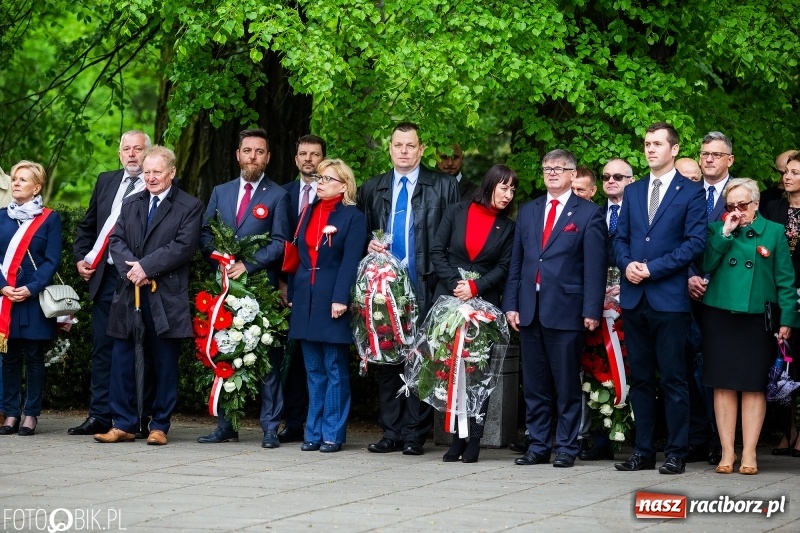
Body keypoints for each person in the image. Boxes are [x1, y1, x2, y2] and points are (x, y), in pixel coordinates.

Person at [357, 121, 459, 456]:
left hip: (426, 283)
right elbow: (360, 235)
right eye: (398, 145)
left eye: (410, 145)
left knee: (422, 359)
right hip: (383, 290)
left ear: (421, 149)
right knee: (387, 359)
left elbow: (452, 240)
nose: (404, 151)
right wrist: (367, 246)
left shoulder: (443, 186)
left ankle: (415, 434)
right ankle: (391, 432)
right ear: (390, 148)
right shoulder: (373, 188)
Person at [503, 149, 607, 468]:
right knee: (534, 383)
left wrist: (591, 309)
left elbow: (594, 267)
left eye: (559, 168)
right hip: (530, 309)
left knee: (565, 384)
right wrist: (511, 305)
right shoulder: (529, 210)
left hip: (567, 309)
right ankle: (537, 444)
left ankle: (565, 446)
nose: (552, 173)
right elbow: (517, 263)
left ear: (573, 175)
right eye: (547, 168)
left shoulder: (589, 214)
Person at [613, 122, 707, 475]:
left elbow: (695, 243)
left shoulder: (691, 193)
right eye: (646, 143)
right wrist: (627, 265)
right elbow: (620, 239)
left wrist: (653, 268)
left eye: (657, 144)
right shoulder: (634, 191)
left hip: (668, 297)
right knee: (640, 378)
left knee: (673, 378)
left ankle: (676, 452)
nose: (650, 149)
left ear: (675, 149)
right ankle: (642, 451)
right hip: (635, 296)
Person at [94, 146, 203, 445]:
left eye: (157, 172)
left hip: (165, 295)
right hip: (130, 292)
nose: (151, 178)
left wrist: (146, 267)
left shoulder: (189, 206)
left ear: (172, 173)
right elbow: (115, 240)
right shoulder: (131, 203)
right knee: (122, 357)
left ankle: (159, 425)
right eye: (147, 172)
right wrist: (133, 269)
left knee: (164, 361)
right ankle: (125, 423)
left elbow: (183, 247)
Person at [196, 128, 291, 447]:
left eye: (260, 151)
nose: (253, 156)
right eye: (247, 150)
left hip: (260, 288)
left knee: (267, 359)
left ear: (268, 157)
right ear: (237, 154)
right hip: (224, 287)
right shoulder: (220, 191)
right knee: (225, 351)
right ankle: (227, 424)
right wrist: (221, 262)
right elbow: (205, 234)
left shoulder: (278, 195)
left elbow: (280, 243)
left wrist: (248, 265)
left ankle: (269, 427)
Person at [700, 178, 800, 475]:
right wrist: (726, 233)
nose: (736, 211)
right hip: (720, 313)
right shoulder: (717, 229)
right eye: (730, 206)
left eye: (742, 205)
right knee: (723, 383)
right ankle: (727, 452)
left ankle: (750, 453)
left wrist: (788, 320)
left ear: (756, 204)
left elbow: (785, 279)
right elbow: (706, 264)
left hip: (757, 315)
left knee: (754, 385)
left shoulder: (774, 231)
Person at [430, 164, 517, 463]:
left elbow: (504, 268)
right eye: (504, 187)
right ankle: (456, 438)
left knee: (478, 372)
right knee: (451, 370)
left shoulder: (508, 228)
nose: (508, 195)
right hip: (450, 302)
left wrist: (476, 287)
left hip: (483, 307)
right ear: (490, 184)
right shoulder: (457, 211)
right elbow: (437, 251)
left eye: (512, 190)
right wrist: (457, 285)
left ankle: (474, 439)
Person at [70, 130, 152, 438]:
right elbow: (87, 225)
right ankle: (99, 415)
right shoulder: (106, 180)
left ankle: (136, 418)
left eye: (138, 149)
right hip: (105, 280)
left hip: (139, 281)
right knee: (103, 350)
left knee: (138, 351)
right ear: (119, 154)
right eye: (126, 149)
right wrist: (81, 257)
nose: (132, 154)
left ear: (149, 152)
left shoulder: (157, 183)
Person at [288, 159, 366, 452]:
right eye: (318, 177)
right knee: (313, 370)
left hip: (332, 298)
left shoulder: (353, 217)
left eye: (326, 178)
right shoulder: (309, 210)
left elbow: (350, 261)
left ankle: (333, 432)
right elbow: (300, 255)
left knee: (334, 368)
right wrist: (295, 291)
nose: (319, 182)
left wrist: (340, 298)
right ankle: (313, 432)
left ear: (343, 185)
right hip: (305, 298)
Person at [577, 157, 635, 461]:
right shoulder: (593, 214)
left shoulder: (641, 214)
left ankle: (631, 436)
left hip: (633, 297)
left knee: (630, 368)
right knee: (597, 366)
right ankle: (601, 437)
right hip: (598, 301)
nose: (611, 181)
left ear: (631, 180)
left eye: (618, 176)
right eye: (606, 176)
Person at [0, 161, 62, 436]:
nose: (15, 183)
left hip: (33, 299)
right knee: (9, 358)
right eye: (15, 179)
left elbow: (52, 260)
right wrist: (2, 286)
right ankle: (11, 413)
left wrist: (32, 288)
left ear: (37, 187)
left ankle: (31, 415)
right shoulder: (1, 216)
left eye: (23, 180)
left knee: (35, 358)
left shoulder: (50, 218)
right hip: (7, 299)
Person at [685, 131, 735, 465]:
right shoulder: (686, 193)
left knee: (721, 367)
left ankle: (724, 440)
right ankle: (696, 438)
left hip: (725, 294)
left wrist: (708, 278)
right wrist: (689, 274)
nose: (708, 159)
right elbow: (674, 239)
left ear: (729, 159)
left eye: (716, 154)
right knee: (689, 365)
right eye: (704, 154)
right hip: (685, 292)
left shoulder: (740, 194)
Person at [277, 134, 327, 444]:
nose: (308, 159)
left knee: (320, 358)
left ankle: (318, 423)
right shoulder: (282, 194)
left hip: (321, 288)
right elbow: (279, 241)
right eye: (303, 154)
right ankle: (293, 422)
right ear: (296, 159)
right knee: (291, 360)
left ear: (324, 159)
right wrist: (282, 283)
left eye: (315, 154)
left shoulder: (334, 195)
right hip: (289, 286)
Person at [762, 151, 800, 456]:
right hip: (777, 296)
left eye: (795, 172)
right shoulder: (772, 208)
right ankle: (788, 432)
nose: (787, 177)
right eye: (786, 172)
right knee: (782, 364)